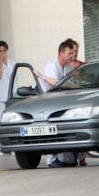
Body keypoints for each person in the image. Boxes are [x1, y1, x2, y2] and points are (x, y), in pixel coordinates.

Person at [35, 38, 86, 168]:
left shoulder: (68, 67)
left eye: (73, 53)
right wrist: (45, 78)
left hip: (62, 103)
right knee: (51, 130)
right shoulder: (51, 65)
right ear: (61, 53)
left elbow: (72, 84)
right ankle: (51, 160)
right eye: (70, 53)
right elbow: (57, 83)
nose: (72, 56)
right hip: (48, 104)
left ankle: (70, 157)